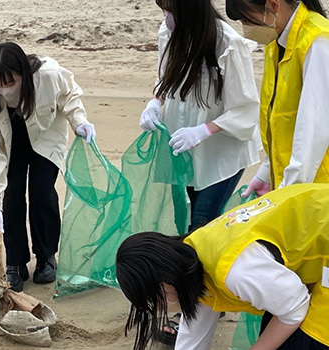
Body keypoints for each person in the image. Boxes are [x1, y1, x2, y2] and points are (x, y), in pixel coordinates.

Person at [116, 183, 329, 350]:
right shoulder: (193, 259)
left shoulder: (235, 271)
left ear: (164, 282)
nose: (162, 307)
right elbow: (193, 335)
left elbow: (295, 308)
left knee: (310, 339)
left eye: (156, 300)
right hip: (314, 221)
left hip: (322, 225)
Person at [0, 42, 96, 292]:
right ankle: (16, 263)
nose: (5, 90)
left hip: (46, 138)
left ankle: (46, 256)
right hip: (11, 144)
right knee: (12, 197)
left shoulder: (48, 76)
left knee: (42, 192)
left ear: (23, 74)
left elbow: (69, 94)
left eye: (11, 82)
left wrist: (79, 121)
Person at [139, 0, 261, 231]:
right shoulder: (169, 33)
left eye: (171, 11)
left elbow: (245, 108)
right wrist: (155, 103)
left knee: (203, 224)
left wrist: (204, 130)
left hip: (220, 154)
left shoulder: (228, 44)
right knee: (181, 222)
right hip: (181, 150)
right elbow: (166, 80)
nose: (167, 17)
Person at [225, 0, 329, 198]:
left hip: (318, 192)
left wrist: (285, 196)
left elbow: (313, 133)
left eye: (248, 19)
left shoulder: (319, 42)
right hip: (296, 186)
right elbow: (280, 120)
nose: (246, 29)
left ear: (273, 5)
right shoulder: (277, 43)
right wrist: (266, 174)